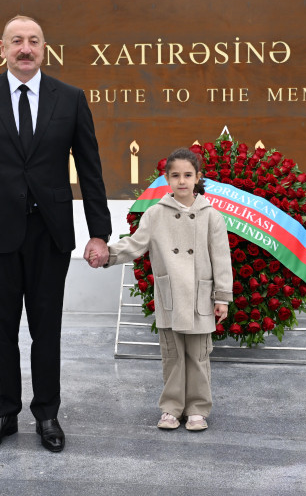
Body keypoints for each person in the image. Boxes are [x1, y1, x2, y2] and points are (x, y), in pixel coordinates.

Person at [0, 15, 111, 454]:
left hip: (51, 234)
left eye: (34, 41)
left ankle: (46, 414)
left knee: (47, 328)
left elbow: (91, 171)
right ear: (1, 47)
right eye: (17, 41)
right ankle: (4, 412)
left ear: (45, 48)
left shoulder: (72, 98)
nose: (26, 48)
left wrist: (99, 232)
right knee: (0, 329)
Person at [98, 148, 232, 431]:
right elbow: (135, 244)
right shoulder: (156, 214)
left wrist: (222, 298)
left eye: (187, 175)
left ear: (198, 178)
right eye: (175, 175)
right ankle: (171, 408)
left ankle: (197, 408)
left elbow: (221, 259)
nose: (182, 181)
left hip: (200, 297)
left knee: (198, 357)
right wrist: (107, 254)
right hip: (171, 296)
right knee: (172, 356)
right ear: (167, 179)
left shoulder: (211, 216)